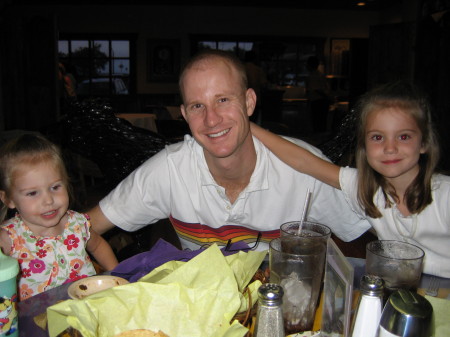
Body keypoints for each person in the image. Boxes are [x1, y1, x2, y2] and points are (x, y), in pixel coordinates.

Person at [87, 49, 370, 253]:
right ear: (185, 114)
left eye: (223, 99)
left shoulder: (304, 170)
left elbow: (363, 241)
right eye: (198, 106)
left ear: (249, 102)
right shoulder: (169, 169)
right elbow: (81, 230)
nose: (211, 119)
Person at [251, 81, 450, 277]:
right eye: (378, 137)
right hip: (406, 293)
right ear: (364, 147)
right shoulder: (364, 188)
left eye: (404, 137)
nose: (390, 148)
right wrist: (247, 125)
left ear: (424, 143)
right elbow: (305, 162)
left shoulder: (445, 195)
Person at [0, 134, 118, 300]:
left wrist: (117, 274)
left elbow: (98, 245)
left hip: (86, 309)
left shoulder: (77, 224)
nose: (48, 200)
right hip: (38, 321)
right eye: (32, 193)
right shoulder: (8, 238)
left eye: (55, 187)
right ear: (9, 199)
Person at [306, 56, 332, 134]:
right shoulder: (320, 75)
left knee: (318, 123)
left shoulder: (314, 76)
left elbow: (317, 90)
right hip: (321, 101)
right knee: (321, 122)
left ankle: (318, 139)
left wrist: (326, 97)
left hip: (318, 101)